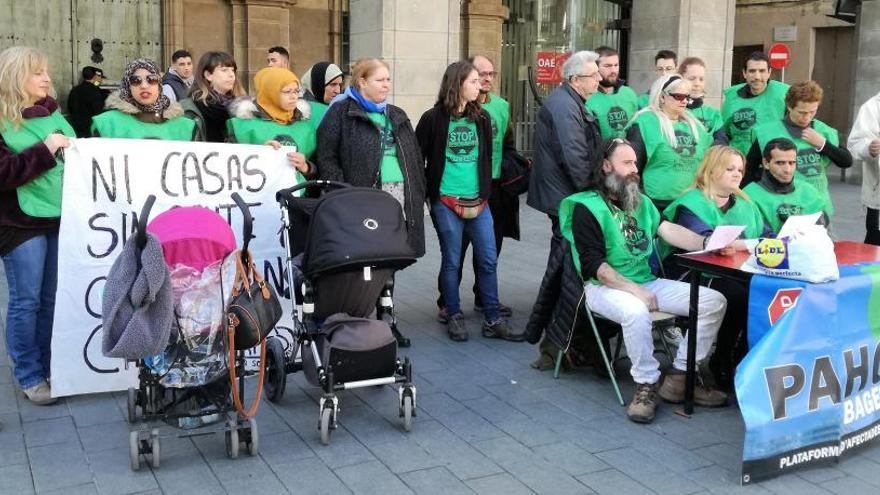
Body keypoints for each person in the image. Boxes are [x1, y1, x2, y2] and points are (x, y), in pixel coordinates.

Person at [559, 138, 730, 423]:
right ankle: (646, 383)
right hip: (604, 288)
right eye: (627, 163)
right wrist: (634, 289)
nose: (635, 169)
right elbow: (593, 265)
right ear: (606, 166)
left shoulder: (641, 202)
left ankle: (680, 375)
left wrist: (707, 241)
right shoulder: (585, 206)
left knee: (713, 301)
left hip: (645, 282)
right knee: (636, 311)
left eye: (635, 163)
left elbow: (668, 230)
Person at [315, 58, 425, 347]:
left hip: (396, 196)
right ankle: (358, 318)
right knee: (364, 260)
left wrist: (417, 191)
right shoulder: (341, 112)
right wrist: (344, 193)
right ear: (362, 82)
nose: (386, 85)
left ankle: (387, 318)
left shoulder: (396, 114)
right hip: (361, 199)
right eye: (380, 80)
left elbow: (412, 157)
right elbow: (326, 156)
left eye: (388, 79)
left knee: (388, 257)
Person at [416, 61, 521, 343]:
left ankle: (492, 319)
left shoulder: (483, 118)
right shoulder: (433, 119)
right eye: (474, 81)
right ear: (457, 84)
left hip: (479, 201)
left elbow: (486, 157)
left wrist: (485, 191)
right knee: (452, 261)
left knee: (488, 259)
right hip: (446, 200)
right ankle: (453, 314)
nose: (480, 85)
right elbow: (417, 158)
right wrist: (429, 195)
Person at [0, 46, 74, 405]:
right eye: (37, 72)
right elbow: (4, 174)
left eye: (46, 71)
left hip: (59, 218)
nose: (47, 78)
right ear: (16, 78)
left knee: (50, 299)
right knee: (26, 301)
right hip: (20, 224)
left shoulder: (54, 114)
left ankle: (48, 366)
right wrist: (46, 150)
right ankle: (29, 374)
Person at [661, 145, 765, 389]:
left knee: (761, 290)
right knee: (738, 296)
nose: (737, 174)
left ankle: (741, 353)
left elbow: (768, 237)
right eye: (729, 168)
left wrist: (740, 245)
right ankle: (722, 359)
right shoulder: (691, 203)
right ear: (711, 170)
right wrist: (747, 244)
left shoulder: (746, 204)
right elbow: (713, 244)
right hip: (687, 271)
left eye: (740, 169)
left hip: (734, 270)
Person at [524, 50, 602, 344]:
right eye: (592, 75)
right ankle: (552, 318)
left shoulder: (570, 101)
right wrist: (590, 196)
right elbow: (575, 155)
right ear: (574, 79)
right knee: (562, 257)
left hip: (563, 192)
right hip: (565, 195)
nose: (598, 79)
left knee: (562, 254)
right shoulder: (565, 106)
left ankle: (551, 316)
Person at [746, 80, 852, 216]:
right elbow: (749, 168)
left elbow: (846, 161)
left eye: (812, 112)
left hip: (817, 207)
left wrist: (823, 144)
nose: (807, 117)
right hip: (779, 208)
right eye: (802, 112)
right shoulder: (767, 132)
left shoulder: (823, 131)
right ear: (789, 107)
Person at [626, 74, 712, 211]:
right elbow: (631, 167)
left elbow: (710, 161)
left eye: (687, 97)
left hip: (691, 202)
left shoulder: (695, 126)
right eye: (678, 96)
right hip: (656, 203)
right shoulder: (646, 122)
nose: (684, 101)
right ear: (662, 97)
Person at [227, 67, 316, 182]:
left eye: (296, 91)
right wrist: (260, 153)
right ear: (270, 92)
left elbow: (318, 171)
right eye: (287, 92)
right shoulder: (243, 125)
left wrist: (306, 167)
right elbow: (230, 166)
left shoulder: (306, 126)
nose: (294, 97)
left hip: (298, 196)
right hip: (257, 194)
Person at [91, 58, 197, 140]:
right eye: (136, 80)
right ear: (128, 86)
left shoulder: (186, 127)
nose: (144, 86)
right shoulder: (107, 124)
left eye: (151, 79)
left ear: (159, 84)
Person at [743, 138, 828, 234]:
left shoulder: (809, 192)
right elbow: (752, 236)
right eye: (780, 163)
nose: (787, 170)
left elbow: (825, 232)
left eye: (792, 163)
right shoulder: (749, 195)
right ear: (766, 163)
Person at [721, 51, 789, 157]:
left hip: (772, 161)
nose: (757, 76)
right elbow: (723, 133)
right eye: (752, 71)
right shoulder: (731, 99)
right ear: (744, 73)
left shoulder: (784, 95)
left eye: (762, 71)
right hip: (739, 162)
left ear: (769, 72)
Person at [181, 51, 245, 142]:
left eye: (233, 70)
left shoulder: (244, 108)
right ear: (208, 75)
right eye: (224, 70)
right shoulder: (190, 109)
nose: (231, 75)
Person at [847, 89, 880, 245]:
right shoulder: (872, 107)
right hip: (878, 195)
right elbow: (855, 143)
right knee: (874, 249)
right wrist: (869, 148)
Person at [587, 46, 639, 140]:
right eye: (607, 66)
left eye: (616, 65)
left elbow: (637, 129)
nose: (613, 71)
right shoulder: (587, 97)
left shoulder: (629, 93)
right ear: (595, 68)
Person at [678, 57, 727, 144]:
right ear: (681, 79)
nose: (697, 84)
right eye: (692, 79)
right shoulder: (672, 110)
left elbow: (722, 142)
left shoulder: (713, 114)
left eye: (701, 79)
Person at [66, 66, 108, 137]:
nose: (101, 81)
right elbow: (98, 112)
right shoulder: (96, 92)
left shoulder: (74, 90)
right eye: (100, 78)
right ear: (95, 77)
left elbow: (70, 108)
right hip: (91, 131)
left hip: (76, 130)